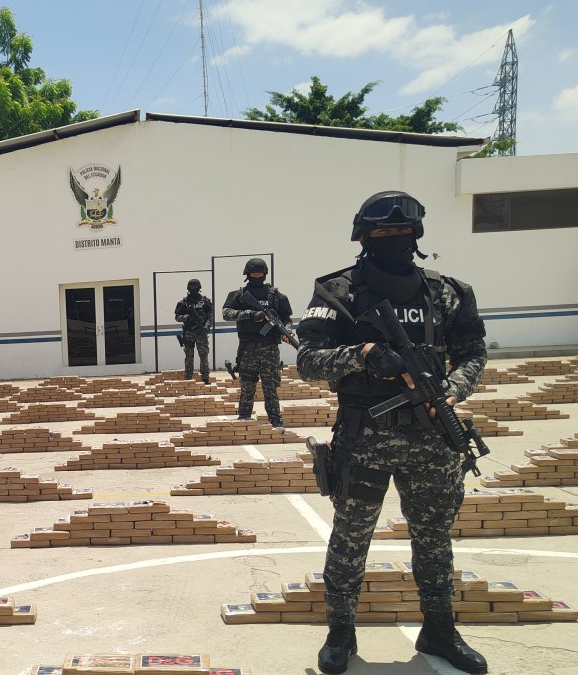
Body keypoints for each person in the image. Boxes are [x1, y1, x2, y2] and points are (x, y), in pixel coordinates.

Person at [296, 191, 489, 674]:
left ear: (415, 236)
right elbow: (306, 360)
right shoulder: (337, 292)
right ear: (363, 237)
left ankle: (439, 629)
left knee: (434, 537)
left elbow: (473, 352)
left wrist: (455, 389)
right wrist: (360, 355)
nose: (392, 240)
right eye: (381, 233)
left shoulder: (449, 292)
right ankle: (340, 631)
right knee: (350, 537)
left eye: (401, 233)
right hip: (364, 437)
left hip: (433, 438)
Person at [221, 258, 293, 427]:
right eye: (254, 273)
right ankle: (244, 419)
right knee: (247, 387)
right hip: (247, 349)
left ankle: (276, 421)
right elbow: (226, 313)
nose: (257, 275)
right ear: (248, 274)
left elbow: (286, 319)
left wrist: (287, 331)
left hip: (269, 349)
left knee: (271, 389)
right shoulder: (238, 295)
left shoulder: (277, 297)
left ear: (265, 274)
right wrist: (251, 314)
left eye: (260, 273)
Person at [174, 279, 213, 384]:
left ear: (199, 288)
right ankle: (188, 378)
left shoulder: (206, 301)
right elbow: (177, 317)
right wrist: (187, 317)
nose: (194, 289)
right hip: (189, 333)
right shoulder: (183, 303)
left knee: (204, 356)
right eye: (192, 288)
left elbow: (210, 317)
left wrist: (206, 327)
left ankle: (205, 378)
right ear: (188, 289)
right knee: (189, 357)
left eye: (196, 287)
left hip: (201, 333)